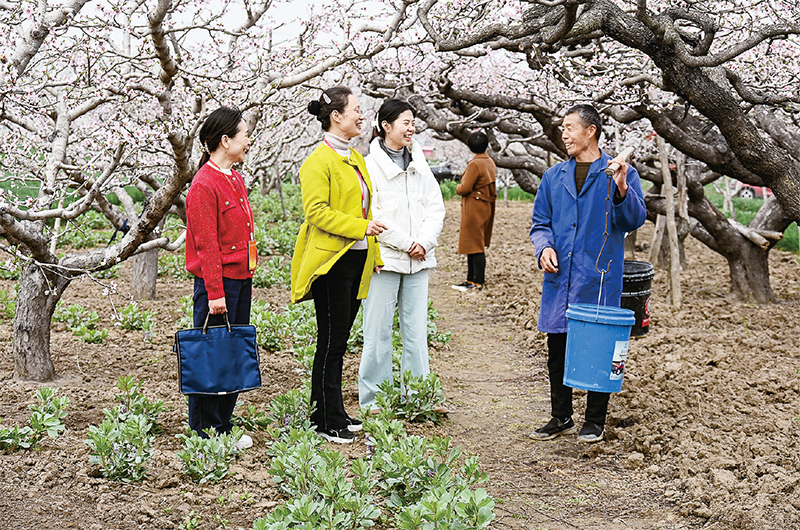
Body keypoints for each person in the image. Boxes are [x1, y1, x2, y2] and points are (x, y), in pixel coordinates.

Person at [529, 104, 646, 443]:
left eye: (569, 127)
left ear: (590, 131)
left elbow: (634, 220)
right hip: (561, 275)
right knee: (558, 346)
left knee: (599, 345)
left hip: (598, 277)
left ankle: (594, 420)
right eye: (562, 128)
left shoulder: (618, 172)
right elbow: (540, 223)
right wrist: (544, 247)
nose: (563, 134)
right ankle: (560, 416)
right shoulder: (553, 177)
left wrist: (622, 188)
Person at [290, 86, 386, 444]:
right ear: (336, 116)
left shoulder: (355, 157)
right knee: (330, 342)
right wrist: (361, 228)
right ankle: (325, 421)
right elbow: (316, 212)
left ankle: (332, 410)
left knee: (340, 340)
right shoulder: (318, 161)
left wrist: (374, 253)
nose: (362, 116)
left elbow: (365, 208)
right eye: (356, 110)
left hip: (357, 258)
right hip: (332, 261)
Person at [359, 99, 446, 415]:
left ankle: (418, 397)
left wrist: (424, 242)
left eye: (413, 123)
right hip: (385, 260)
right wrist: (408, 243)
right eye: (405, 122)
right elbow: (372, 213)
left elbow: (435, 207)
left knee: (416, 331)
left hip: (418, 260)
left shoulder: (420, 163)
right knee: (377, 332)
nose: (411, 128)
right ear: (386, 126)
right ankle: (375, 400)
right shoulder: (369, 166)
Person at [184, 106, 256, 450]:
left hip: (240, 278)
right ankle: (204, 430)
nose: (248, 140)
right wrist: (215, 292)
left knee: (232, 353)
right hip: (219, 283)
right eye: (244, 135)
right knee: (211, 356)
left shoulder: (234, 178)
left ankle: (223, 425)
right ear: (225, 140)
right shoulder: (204, 184)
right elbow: (207, 245)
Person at [451, 131, 497, 292]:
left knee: (474, 245)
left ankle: (476, 280)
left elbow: (465, 188)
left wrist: (457, 187)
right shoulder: (489, 161)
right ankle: (471, 279)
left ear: (470, 146)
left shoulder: (475, 164)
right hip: (485, 206)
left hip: (474, 207)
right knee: (475, 243)